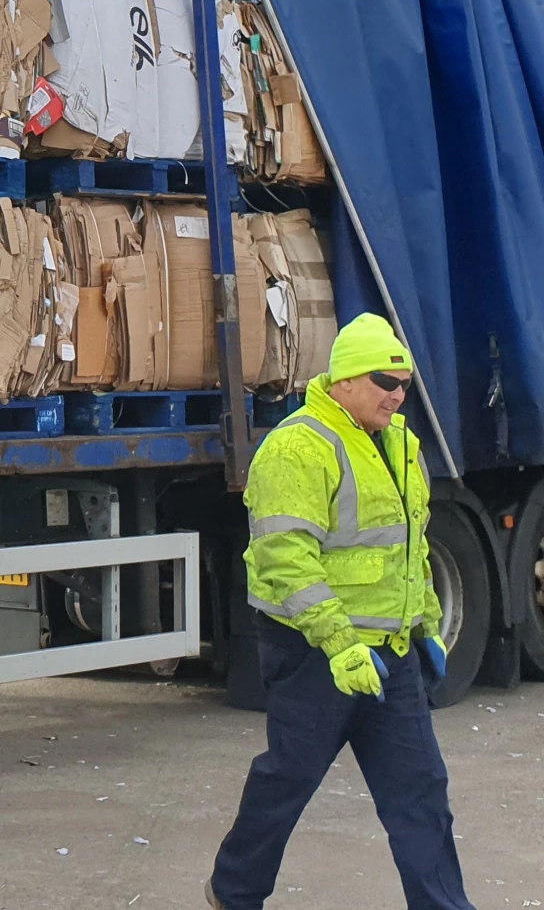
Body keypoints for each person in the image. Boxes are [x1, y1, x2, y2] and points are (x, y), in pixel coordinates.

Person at [205, 313, 472, 910]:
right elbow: (284, 556)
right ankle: (235, 892)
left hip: (391, 655)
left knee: (420, 792)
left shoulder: (403, 445)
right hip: (313, 654)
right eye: (385, 380)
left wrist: (426, 620)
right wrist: (339, 642)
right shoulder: (298, 446)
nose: (397, 394)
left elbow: (411, 544)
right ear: (347, 379)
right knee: (289, 780)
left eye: (403, 382)